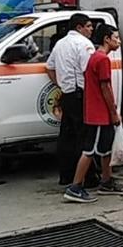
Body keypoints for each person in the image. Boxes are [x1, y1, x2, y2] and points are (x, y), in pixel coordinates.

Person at [64, 24, 123, 203]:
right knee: (90, 150)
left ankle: (107, 181)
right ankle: (75, 186)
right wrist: (114, 112)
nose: (119, 41)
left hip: (96, 112)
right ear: (106, 39)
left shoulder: (95, 57)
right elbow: (106, 88)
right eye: (116, 37)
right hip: (99, 113)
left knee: (104, 149)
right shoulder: (102, 60)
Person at [46, 13, 100, 187]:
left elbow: (50, 67)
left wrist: (61, 84)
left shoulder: (60, 44)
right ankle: (88, 178)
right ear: (79, 27)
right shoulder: (84, 44)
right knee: (84, 138)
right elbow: (89, 71)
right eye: (89, 26)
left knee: (66, 137)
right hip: (80, 95)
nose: (91, 30)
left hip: (67, 95)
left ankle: (66, 176)